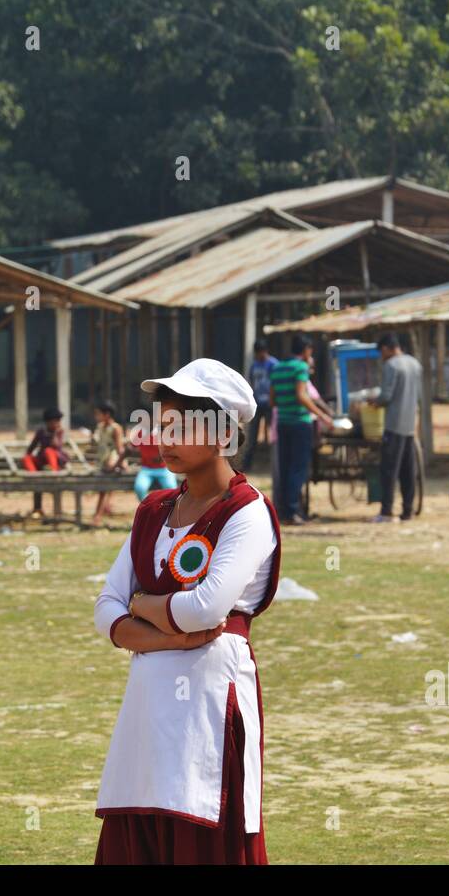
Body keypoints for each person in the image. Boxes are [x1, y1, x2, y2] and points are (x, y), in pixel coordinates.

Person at [93, 358, 281, 864]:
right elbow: (106, 609)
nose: (164, 438)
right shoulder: (153, 511)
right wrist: (165, 638)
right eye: (162, 425)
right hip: (147, 704)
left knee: (202, 824)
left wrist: (143, 606)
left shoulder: (247, 511)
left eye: (180, 426)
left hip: (210, 699)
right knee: (143, 823)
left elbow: (207, 608)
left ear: (222, 434)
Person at [269, 335, 334, 524]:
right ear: (305, 350)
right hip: (299, 423)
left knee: (285, 466)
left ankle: (283, 510)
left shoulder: (277, 368)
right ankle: (292, 511)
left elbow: (272, 400)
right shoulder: (300, 368)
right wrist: (323, 416)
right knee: (298, 468)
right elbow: (302, 396)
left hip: (282, 423)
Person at [370, 332, 424, 522]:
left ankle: (386, 511)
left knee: (389, 470)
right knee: (408, 471)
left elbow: (386, 396)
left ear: (386, 349)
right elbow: (419, 395)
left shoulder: (391, 365)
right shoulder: (414, 363)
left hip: (393, 425)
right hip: (410, 424)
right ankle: (407, 511)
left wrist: (374, 403)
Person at [22, 407, 69, 517]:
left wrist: (55, 433)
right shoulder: (41, 432)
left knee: (49, 451)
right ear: (48, 422)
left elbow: (56, 445)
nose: (57, 423)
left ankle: (53, 473)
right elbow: (31, 448)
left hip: (55, 461)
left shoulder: (59, 432)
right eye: (55, 421)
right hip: (42, 461)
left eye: (58, 421)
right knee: (27, 458)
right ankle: (34, 476)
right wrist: (27, 458)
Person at [241, 339, 279, 471]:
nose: (259, 356)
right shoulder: (254, 365)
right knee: (252, 436)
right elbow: (251, 382)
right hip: (257, 404)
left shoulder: (273, 364)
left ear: (265, 351)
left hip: (270, 404)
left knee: (273, 435)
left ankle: (272, 464)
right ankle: (247, 465)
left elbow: (277, 384)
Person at [91, 401, 126, 526]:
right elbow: (97, 444)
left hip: (112, 460)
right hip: (102, 460)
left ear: (107, 414)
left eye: (98, 414)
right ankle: (104, 508)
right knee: (104, 487)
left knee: (103, 488)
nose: (96, 416)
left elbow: (119, 449)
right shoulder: (100, 427)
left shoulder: (115, 428)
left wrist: (119, 463)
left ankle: (97, 516)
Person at [125, 417, 177, 500]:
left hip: (164, 469)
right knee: (140, 488)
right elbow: (131, 446)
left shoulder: (161, 432)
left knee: (171, 488)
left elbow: (171, 448)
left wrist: (162, 457)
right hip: (146, 469)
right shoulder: (141, 433)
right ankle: (149, 507)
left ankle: (169, 509)